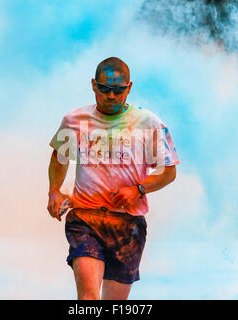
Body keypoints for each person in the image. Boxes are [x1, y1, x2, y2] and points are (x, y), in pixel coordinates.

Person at [47, 57, 180, 300]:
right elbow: (59, 157)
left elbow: (169, 172)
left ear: (128, 88)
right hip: (85, 218)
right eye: (104, 88)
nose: (111, 95)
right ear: (93, 86)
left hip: (128, 225)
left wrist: (139, 189)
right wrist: (54, 191)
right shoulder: (75, 120)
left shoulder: (148, 122)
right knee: (88, 298)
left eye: (118, 90)